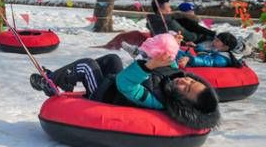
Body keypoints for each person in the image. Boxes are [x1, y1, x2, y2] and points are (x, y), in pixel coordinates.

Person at [31, 51, 220, 130]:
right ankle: (63, 79)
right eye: (190, 80)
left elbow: (126, 85)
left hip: (105, 96)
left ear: (182, 101)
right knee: (113, 59)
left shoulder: (157, 98)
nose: (184, 80)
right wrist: (173, 51)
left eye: (186, 88)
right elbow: (168, 63)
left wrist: (148, 67)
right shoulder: (172, 80)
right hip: (113, 87)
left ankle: (51, 83)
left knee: (87, 66)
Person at [177, 32, 243, 68]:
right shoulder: (220, 53)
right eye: (215, 39)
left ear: (225, 47)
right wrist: (196, 46)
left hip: (195, 64)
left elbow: (208, 62)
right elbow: (207, 52)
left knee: (178, 54)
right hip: (195, 61)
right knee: (179, 52)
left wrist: (190, 59)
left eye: (217, 41)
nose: (214, 41)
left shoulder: (222, 60)